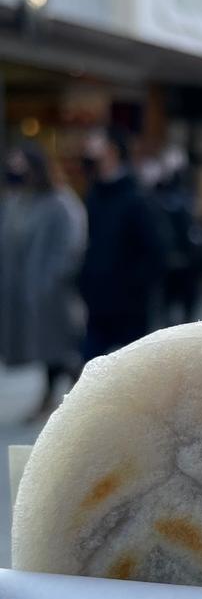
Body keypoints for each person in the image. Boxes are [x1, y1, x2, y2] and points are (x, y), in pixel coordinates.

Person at [0, 144, 86, 418]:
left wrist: (51, 279)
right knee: (42, 347)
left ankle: (77, 395)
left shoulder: (60, 202)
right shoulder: (17, 202)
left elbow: (69, 246)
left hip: (53, 292)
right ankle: (56, 396)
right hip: (23, 290)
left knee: (60, 348)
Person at [80, 126, 165, 359]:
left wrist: (134, 288)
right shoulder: (94, 195)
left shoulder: (137, 198)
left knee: (134, 370)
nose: (88, 146)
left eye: (95, 140)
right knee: (89, 368)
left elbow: (154, 251)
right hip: (98, 302)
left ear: (112, 150)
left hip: (130, 306)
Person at [153, 148, 202, 325]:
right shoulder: (179, 198)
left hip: (172, 259)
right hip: (179, 258)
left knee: (170, 304)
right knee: (180, 302)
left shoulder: (159, 195)